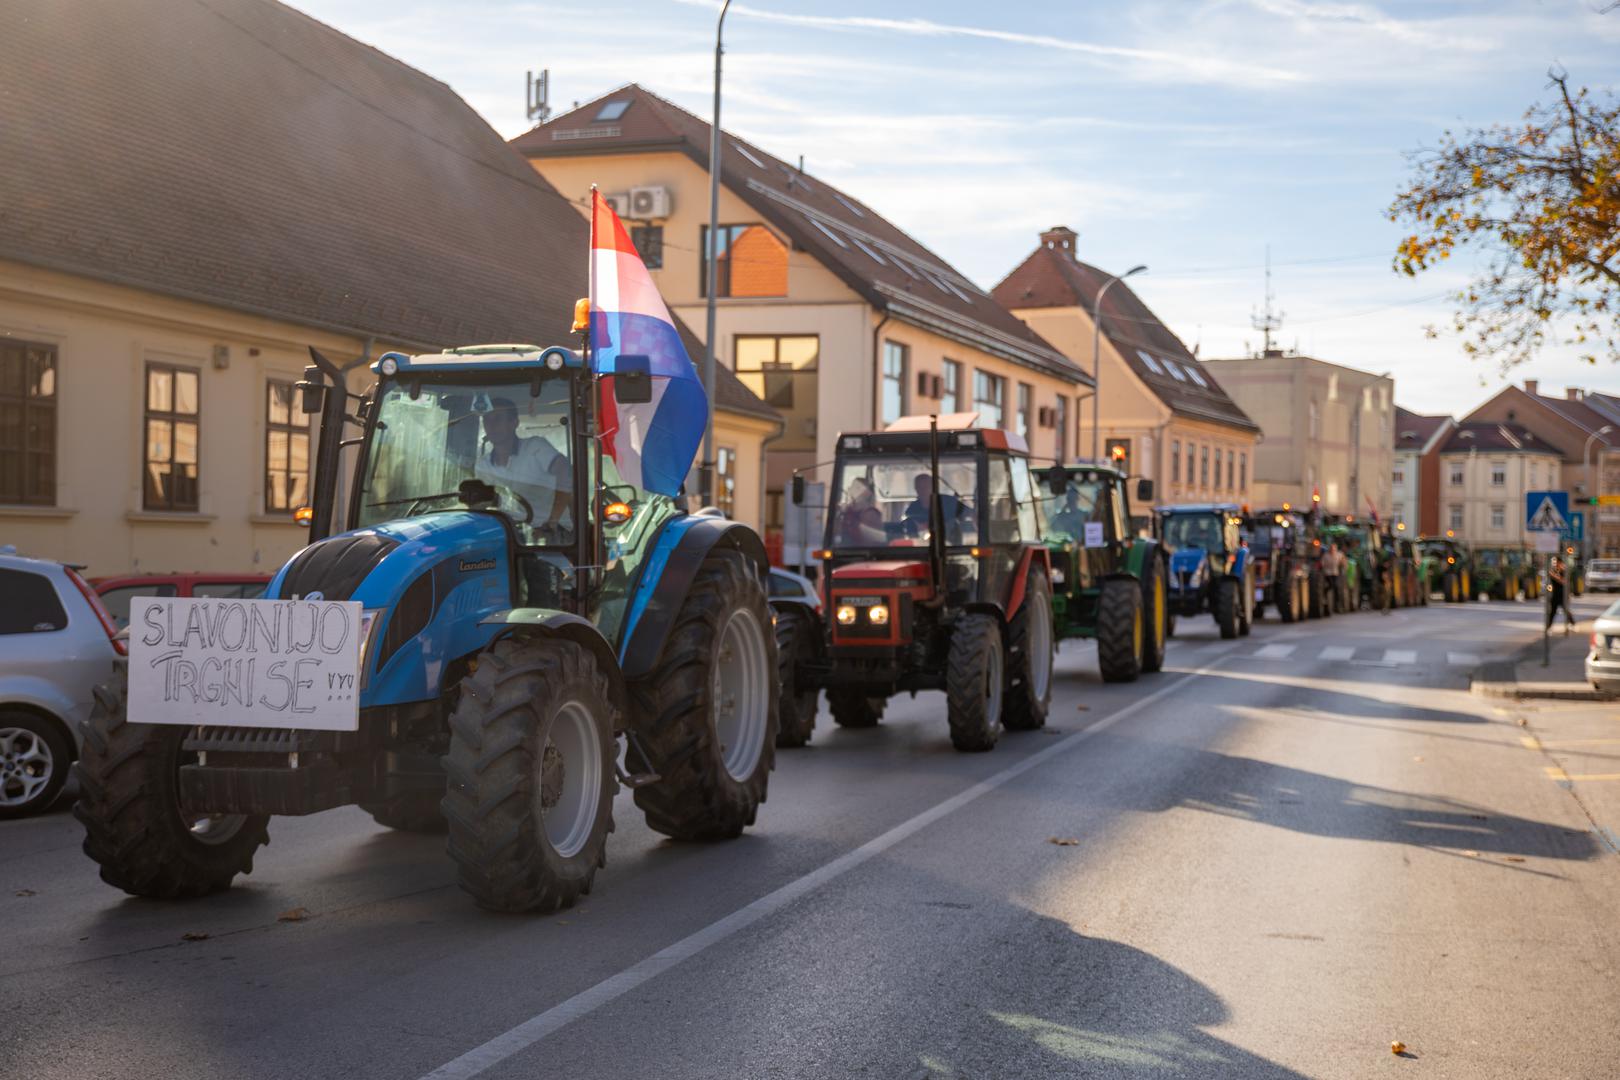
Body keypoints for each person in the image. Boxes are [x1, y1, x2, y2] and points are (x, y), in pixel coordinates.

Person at [475, 397, 572, 537]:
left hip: (553, 533)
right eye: (487, 420)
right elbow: (482, 504)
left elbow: (564, 471)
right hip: (511, 533)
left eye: (498, 419)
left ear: (514, 423)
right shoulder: (483, 465)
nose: (491, 425)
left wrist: (552, 522)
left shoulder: (535, 448)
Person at [837, 477, 885, 545]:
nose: (850, 489)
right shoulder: (848, 512)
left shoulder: (870, 514)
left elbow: (870, 542)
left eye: (856, 488)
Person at [1546, 555, 1575, 634]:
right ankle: (1548, 628)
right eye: (1553, 562)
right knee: (1552, 612)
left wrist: (1554, 576)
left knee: (1566, 610)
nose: (1554, 564)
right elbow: (1549, 584)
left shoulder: (1564, 571)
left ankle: (1572, 624)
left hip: (1563, 595)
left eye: (1555, 562)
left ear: (1560, 562)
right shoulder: (1552, 571)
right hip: (1554, 594)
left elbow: (1564, 582)